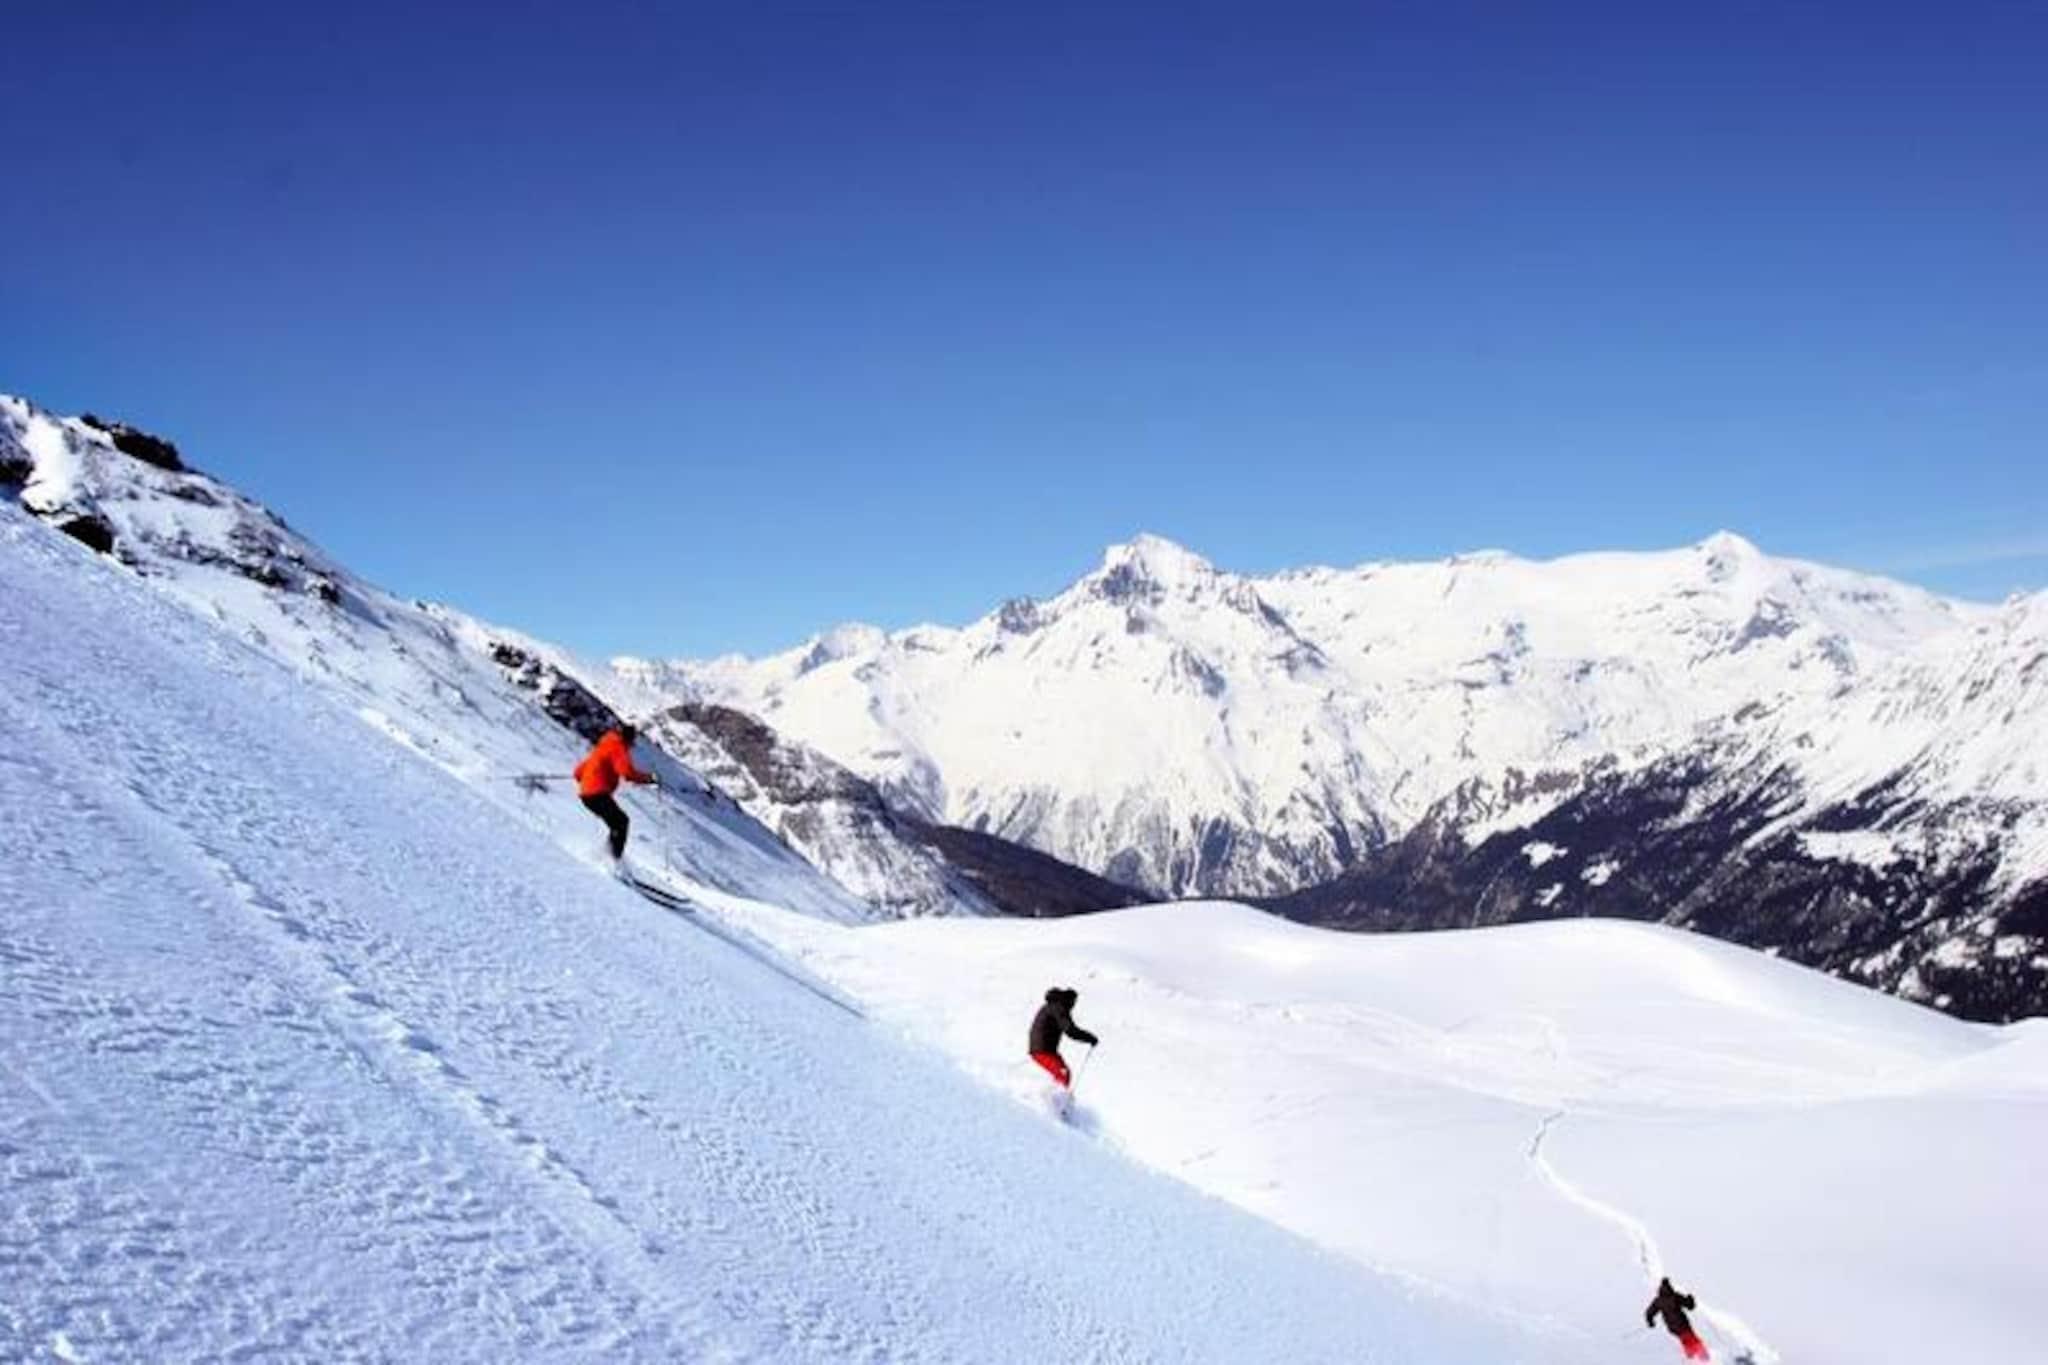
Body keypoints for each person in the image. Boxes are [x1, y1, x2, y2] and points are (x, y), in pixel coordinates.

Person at [575, 723, 656, 860]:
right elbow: (627, 773)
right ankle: (612, 859)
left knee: (617, 823)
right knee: (621, 822)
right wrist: (648, 778)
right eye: (632, 742)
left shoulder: (604, 745)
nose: (631, 746)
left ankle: (607, 856)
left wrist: (590, 777)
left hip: (586, 795)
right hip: (597, 794)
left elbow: (578, 772)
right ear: (628, 739)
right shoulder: (619, 747)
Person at [1028, 986, 1098, 1087]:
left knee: (1064, 1072)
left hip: (1045, 1048)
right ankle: (1057, 1095)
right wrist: (1089, 1038)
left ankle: (1055, 1093)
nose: (1073, 1005)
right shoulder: (1059, 1008)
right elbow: (1070, 1030)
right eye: (1074, 1002)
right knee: (1063, 1073)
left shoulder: (1053, 1006)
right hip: (1042, 1049)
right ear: (1069, 1000)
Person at [1645, 1277, 1709, 1361]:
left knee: (1684, 1340)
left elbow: (1649, 1313)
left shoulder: (1658, 1301)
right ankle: (1704, 1358)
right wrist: (1690, 1299)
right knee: (1693, 1339)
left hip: (1672, 1327)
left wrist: (1650, 1321)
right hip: (1682, 1324)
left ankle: (1691, 1357)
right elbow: (1690, 1306)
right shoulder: (1675, 1296)